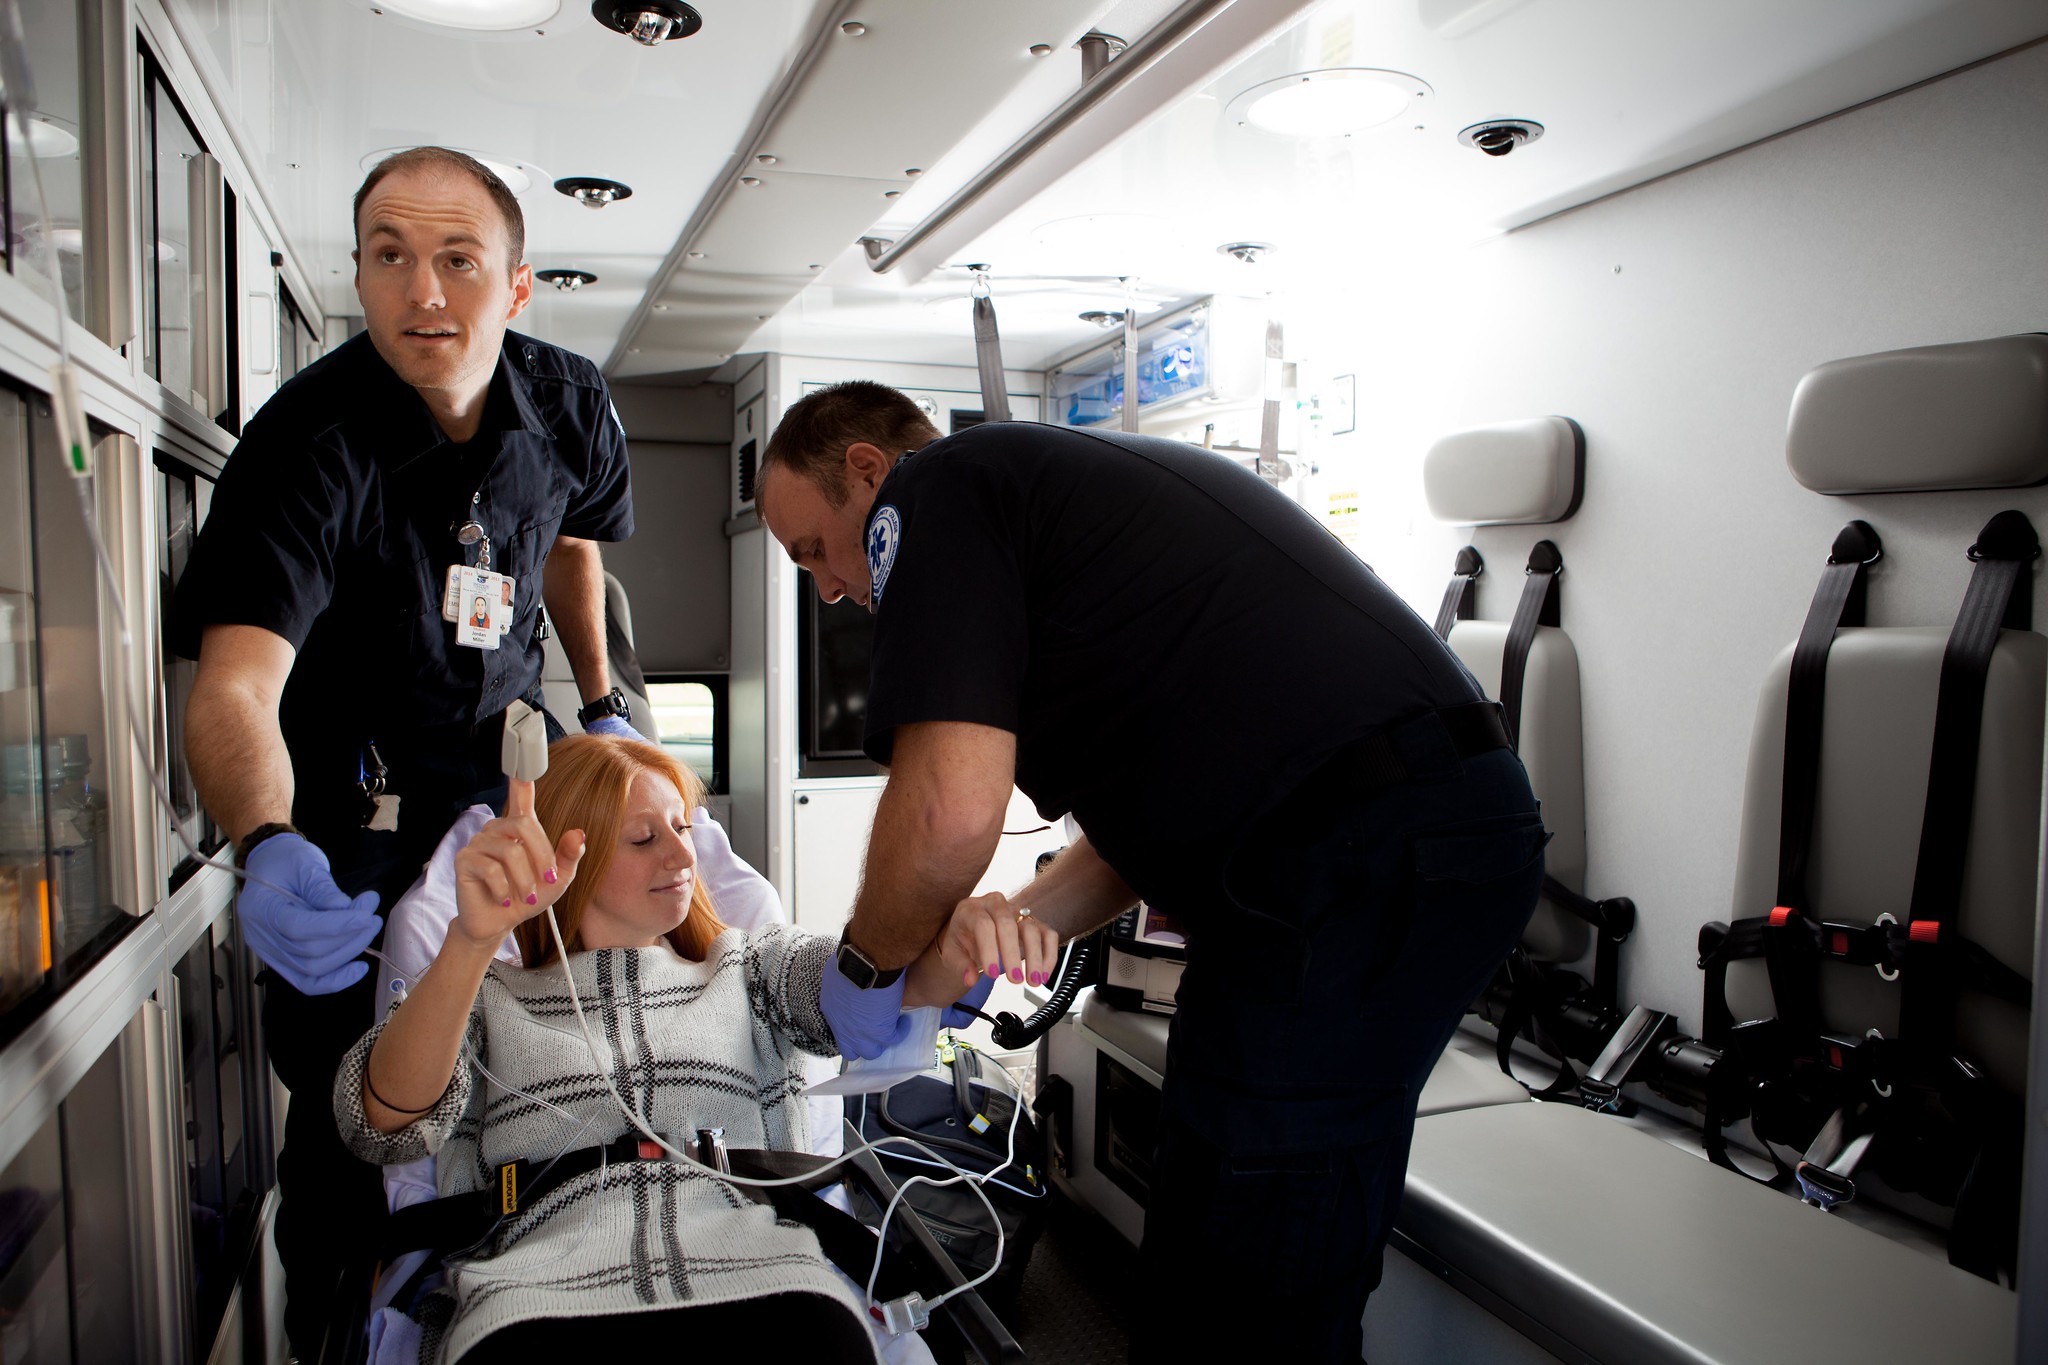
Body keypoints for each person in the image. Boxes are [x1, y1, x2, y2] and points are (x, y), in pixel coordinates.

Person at [756, 382, 1547, 1362]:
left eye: (814, 550)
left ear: (868, 470)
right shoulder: (1040, 515)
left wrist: (867, 975)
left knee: (1249, 1268)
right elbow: (1127, 846)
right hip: (1364, 846)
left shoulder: (939, 487)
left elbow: (948, 813)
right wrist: (984, 951)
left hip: (1361, 847)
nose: (828, 589)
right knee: (1213, 1219)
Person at [169, 146, 651, 1356]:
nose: (422, 291)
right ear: (359, 273)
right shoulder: (307, 444)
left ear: (517, 285)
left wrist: (602, 703)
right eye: (390, 256)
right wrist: (265, 841)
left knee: (522, 1073)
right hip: (352, 814)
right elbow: (235, 685)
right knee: (352, 1127)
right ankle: (341, 1329)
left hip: (506, 794)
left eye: (456, 260)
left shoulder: (569, 402)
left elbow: (572, 545)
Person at [336, 735, 1056, 1363]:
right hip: (537, 1291)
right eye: (643, 838)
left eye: (682, 826)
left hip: (760, 1278)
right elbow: (381, 1123)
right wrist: (469, 943)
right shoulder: (485, 999)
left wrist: (950, 951)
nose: (685, 854)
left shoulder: (747, 970)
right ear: (563, 856)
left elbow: (856, 987)